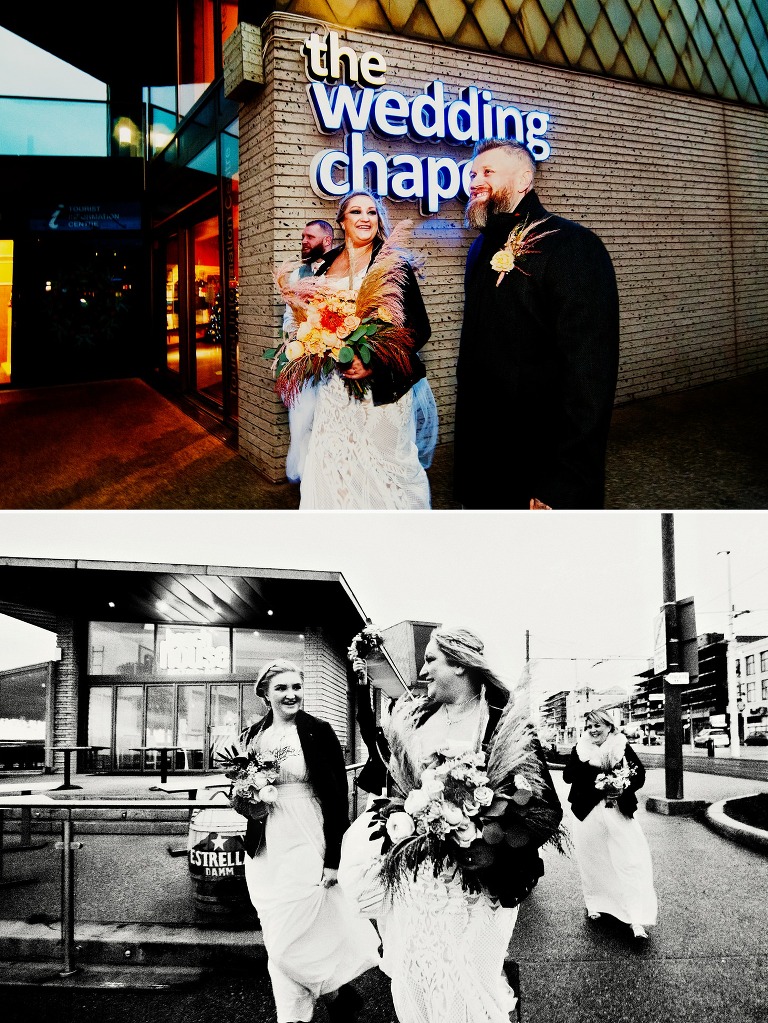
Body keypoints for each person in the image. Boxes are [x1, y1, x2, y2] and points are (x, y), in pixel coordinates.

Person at [340, 626, 564, 1023]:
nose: (423, 672)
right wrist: (397, 815)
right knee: (417, 975)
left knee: (470, 979)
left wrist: (490, 843)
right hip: (420, 886)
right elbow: (393, 787)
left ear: (460, 665)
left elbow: (547, 811)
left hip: (478, 889)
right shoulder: (416, 721)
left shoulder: (504, 723)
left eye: (431, 660)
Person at [455, 138, 620, 510]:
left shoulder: (572, 246)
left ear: (523, 180)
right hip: (484, 465)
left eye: (488, 172)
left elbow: (589, 374)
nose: (475, 180)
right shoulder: (480, 249)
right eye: (472, 173)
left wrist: (562, 483)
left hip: (537, 466)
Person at [235, 660, 380, 1023]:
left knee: (289, 939)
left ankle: (301, 1012)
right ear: (265, 694)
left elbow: (336, 796)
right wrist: (247, 800)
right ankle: (334, 996)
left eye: (296, 687)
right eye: (282, 688)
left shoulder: (319, 731)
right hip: (267, 845)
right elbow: (238, 791)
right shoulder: (252, 735)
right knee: (277, 931)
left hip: (307, 833)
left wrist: (334, 858)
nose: (291, 694)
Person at [282, 189, 438, 509]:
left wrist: (373, 363)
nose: (365, 218)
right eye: (356, 212)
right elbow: (310, 318)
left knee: (387, 463)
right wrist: (312, 342)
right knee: (332, 460)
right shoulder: (323, 265)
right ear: (342, 220)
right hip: (334, 390)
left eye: (371, 212)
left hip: (381, 388)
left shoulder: (393, 263)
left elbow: (419, 330)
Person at [562, 709, 658, 940]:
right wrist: (595, 767)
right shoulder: (580, 748)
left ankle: (636, 918)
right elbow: (568, 775)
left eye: (598, 725)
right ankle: (595, 903)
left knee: (630, 859)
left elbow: (639, 775)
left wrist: (621, 785)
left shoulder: (621, 746)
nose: (593, 730)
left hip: (618, 810)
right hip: (587, 812)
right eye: (589, 726)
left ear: (610, 727)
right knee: (593, 859)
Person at [282, 220, 336, 334]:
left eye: (310, 237)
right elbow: (289, 316)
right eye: (303, 237)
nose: (304, 241)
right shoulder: (297, 274)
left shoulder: (341, 269)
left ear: (327, 240)